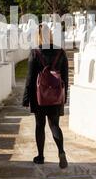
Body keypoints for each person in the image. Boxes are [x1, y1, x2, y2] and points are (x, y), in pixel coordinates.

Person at [23, 24, 69, 169]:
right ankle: (61, 152)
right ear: (49, 34)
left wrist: (26, 98)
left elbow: (30, 78)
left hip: (39, 97)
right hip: (56, 95)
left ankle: (40, 156)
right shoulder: (60, 52)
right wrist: (64, 96)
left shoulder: (35, 53)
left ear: (38, 36)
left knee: (39, 125)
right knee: (54, 125)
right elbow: (66, 77)